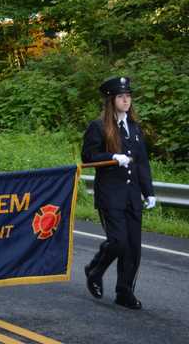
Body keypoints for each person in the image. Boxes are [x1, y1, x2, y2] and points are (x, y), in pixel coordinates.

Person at [82, 76, 156, 310]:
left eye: (128, 96)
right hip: (110, 195)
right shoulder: (98, 126)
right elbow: (88, 158)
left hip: (132, 195)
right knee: (118, 242)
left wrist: (148, 191)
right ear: (111, 100)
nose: (126, 100)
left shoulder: (134, 127)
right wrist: (111, 157)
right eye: (121, 96)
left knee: (133, 247)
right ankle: (95, 269)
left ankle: (124, 291)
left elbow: (142, 162)